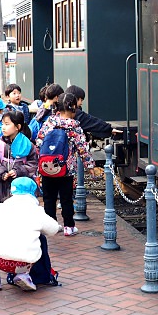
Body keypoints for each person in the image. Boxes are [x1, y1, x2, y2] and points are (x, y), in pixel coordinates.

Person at [0, 176, 61, 291]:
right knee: (38, 239)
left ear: (12, 191)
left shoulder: (3, 208)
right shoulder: (36, 210)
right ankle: (23, 274)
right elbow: (52, 230)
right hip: (22, 262)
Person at [34, 92, 94, 236]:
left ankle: (51, 226)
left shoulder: (49, 122)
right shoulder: (74, 126)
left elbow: (39, 142)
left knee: (49, 198)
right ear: (73, 107)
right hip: (66, 169)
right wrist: (90, 166)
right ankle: (69, 227)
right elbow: (82, 148)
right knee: (66, 198)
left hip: (47, 167)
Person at [0, 108, 38, 203]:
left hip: (21, 187)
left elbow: (33, 163)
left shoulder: (28, 145)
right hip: (3, 185)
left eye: (7, 124)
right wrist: (1, 173)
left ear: (18, 126)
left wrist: (18, 171)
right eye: (2, 124)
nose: (3, 127)